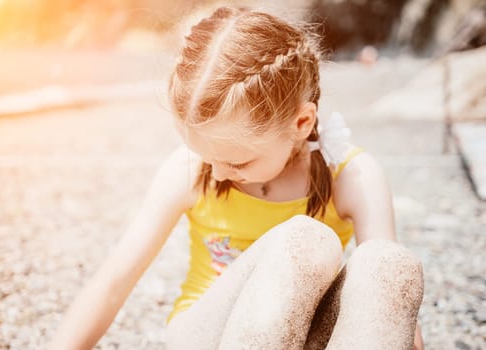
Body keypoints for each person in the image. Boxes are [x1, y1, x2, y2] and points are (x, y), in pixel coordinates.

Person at [50, 6, 425, 350]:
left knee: (388, 264)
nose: (215, 172)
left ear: (302, 123)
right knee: (305, 242)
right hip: (207, 335)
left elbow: (387, 304)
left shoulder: (354, 175)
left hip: (302, 335)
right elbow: (114, 280)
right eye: (205, 156)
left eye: (238, 162)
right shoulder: (189, 171)